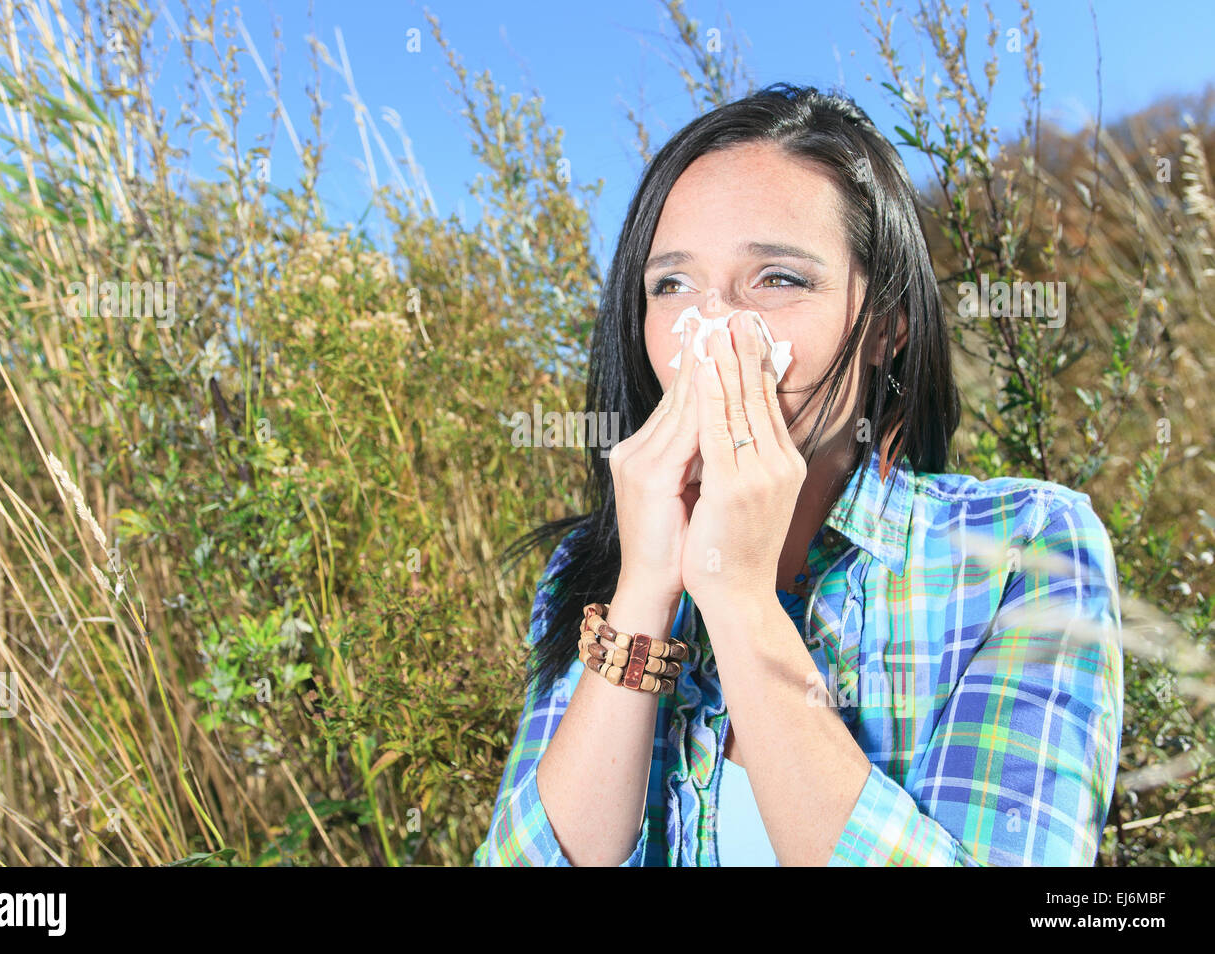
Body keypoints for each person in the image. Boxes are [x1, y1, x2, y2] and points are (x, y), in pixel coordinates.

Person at [474, 82, 1123, 866]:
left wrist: (740, 598)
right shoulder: (593, 566)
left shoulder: (1025, 550)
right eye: (671, 285)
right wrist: (646, 585)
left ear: (888, 324)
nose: (711, 334)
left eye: (778, 279)